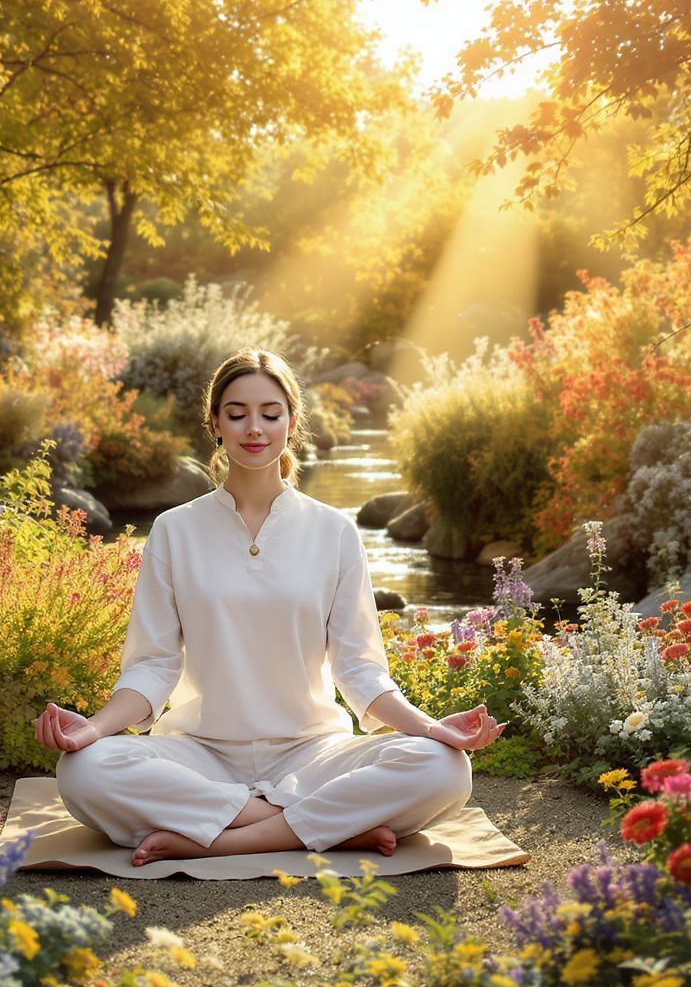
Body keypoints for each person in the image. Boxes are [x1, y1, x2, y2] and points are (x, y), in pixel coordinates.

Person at [35, 348, 506, 868]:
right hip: (199, 755)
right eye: (236, 414)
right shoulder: (175, 529)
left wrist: (432, 728)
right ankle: (319, 826)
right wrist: (93, 729)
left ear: (292, 421)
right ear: (214, 423)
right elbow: (152, 666)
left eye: (269, 413)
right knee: (82, 771)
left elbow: (360, 670)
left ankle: (227, 836)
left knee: (444, 768)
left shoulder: (334, 531)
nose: (253, 428)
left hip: (313, 754)